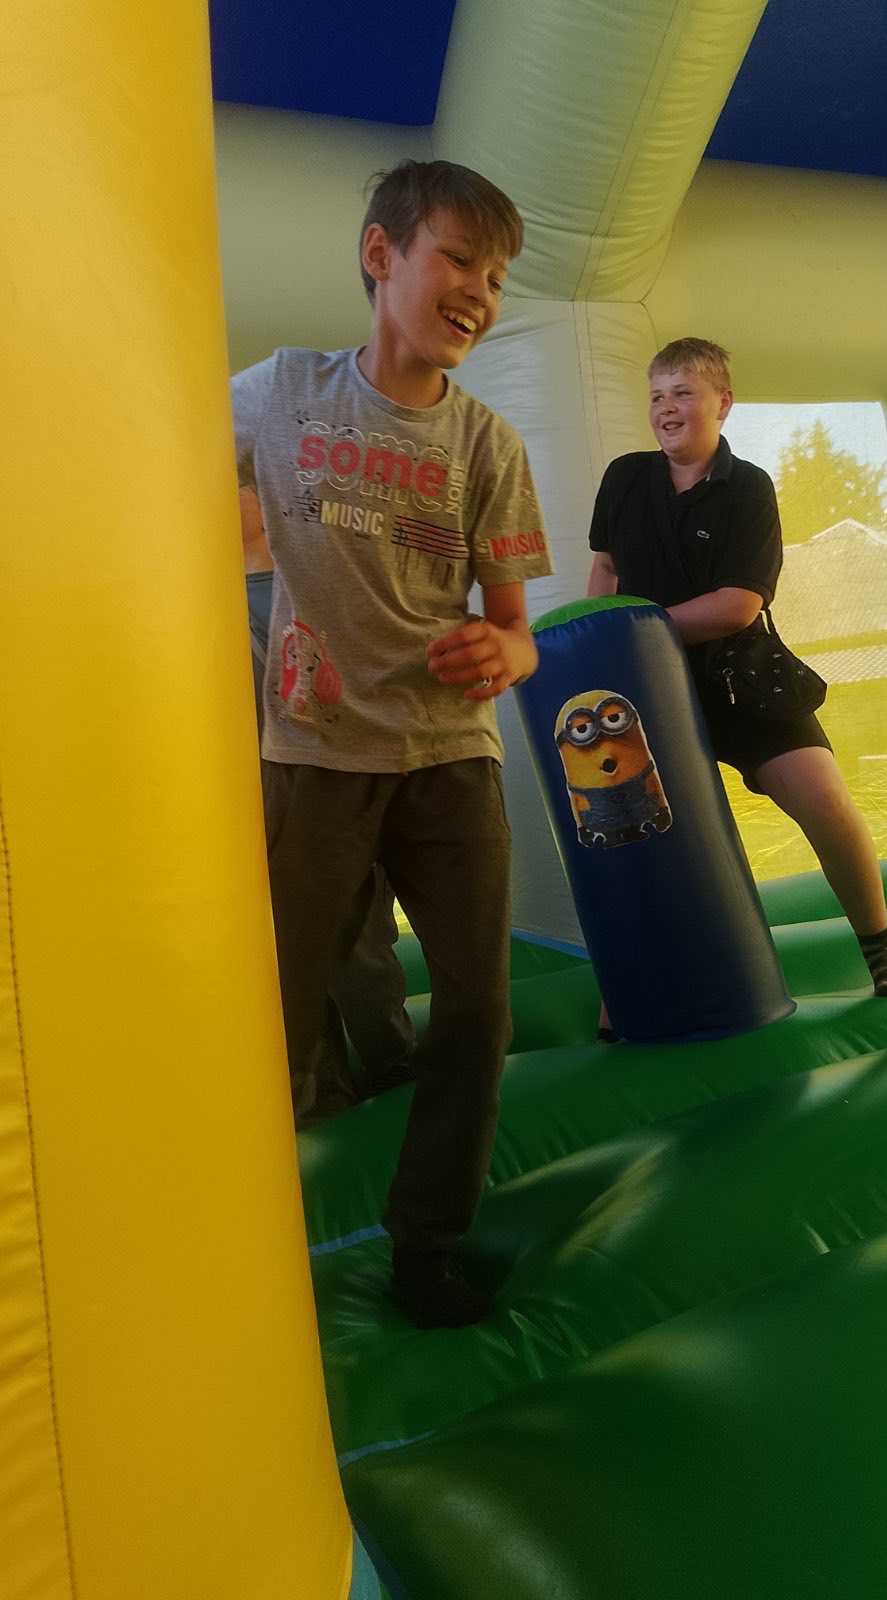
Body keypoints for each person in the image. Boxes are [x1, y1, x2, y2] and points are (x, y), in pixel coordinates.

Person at [232, 159, 553, 1327]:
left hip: (447, 761)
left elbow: (518, 633)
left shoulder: (486, 444)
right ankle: (241, 1240)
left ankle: (426, 1245)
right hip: (314, 760)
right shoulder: (281, 393)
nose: (479, 291)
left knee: (476, 1012)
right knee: (277, 1013)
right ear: (383, 255)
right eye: (458, 258)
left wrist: (501, 653)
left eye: (497, 277)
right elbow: (146, 444)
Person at [587, 337, 887, 1020]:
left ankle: (881, 947)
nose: (666, 408)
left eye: (683, 393)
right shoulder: (625, 477)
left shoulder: (747, 487)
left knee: (825, 798)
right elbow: (606, 569)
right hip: (644, 686)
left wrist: (632, 628)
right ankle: (625, 990)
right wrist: (601, 639)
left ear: (722, 403)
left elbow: (736, 606)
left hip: (738, 676)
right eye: (657, 395)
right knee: (643, 837)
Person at [242, 487, 414, 1102]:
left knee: (359, 946)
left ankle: (394, 1068)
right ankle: (323, 1091)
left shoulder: (314, 577)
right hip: (263, 805)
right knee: (287, 956)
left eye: (235, 486)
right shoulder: (202, 597)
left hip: (336, 791)